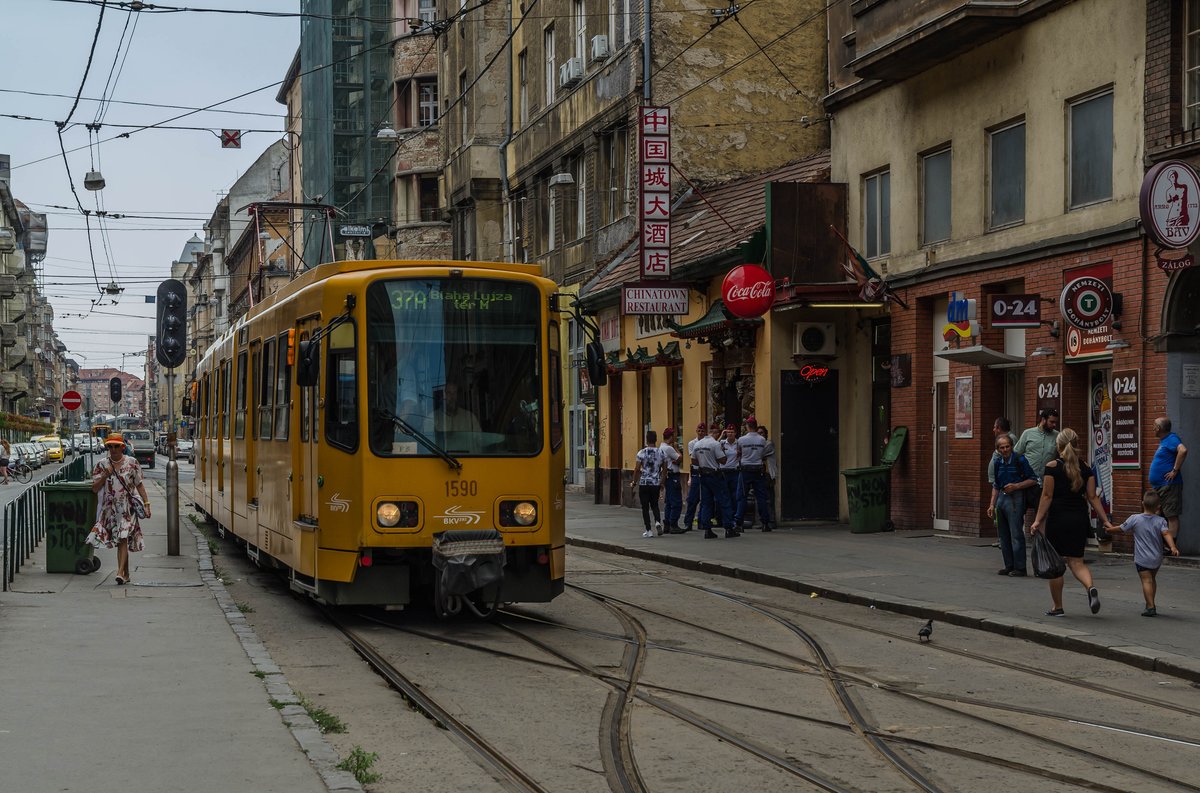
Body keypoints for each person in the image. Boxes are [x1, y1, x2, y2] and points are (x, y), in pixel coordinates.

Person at [1030, 428, 1110, 617]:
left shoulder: (1052, 467)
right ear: (1076, 444)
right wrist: (1105, 520)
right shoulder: (1086, 468)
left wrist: (1037, 520)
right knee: (1077, 562)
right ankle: (1090, 587)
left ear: (1058, 445)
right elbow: (1092, 497)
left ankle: (1057, 607)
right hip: (1079, 519)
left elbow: (1047, 496)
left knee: (1056, 564)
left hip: (1058, 519)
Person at [1105, 490, 1180, 617]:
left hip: (1142, 558)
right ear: (1158, 507)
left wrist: (1109, 530)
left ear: (1142, 503)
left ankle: (1150, 607)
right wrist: (1173, 547)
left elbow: (1121, 529)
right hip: (1156, 557)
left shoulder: (1134, 518)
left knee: (1146, 581)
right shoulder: (1161, 521)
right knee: (1152, 579)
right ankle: (1151, 603)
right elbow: (1166, 533)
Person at [90, 432, 151, 585]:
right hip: (110, 509)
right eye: (110, 446)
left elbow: (139, 485)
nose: (113, 449)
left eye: (116, 446)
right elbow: (94, 488)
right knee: (121, 540)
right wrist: (104, 476)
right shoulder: (102, 465)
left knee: (123, 538)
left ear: (122, 447)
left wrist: (147, 504)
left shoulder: (132, 463)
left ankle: (119, 573)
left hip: (127, 509)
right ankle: (126, 574)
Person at [986, 434, 1037, 576]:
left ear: (1012, 446)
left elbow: (1033, 479)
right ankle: (1009, 565)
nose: (1005, 450)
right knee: (1003, 535)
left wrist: (1016, 486)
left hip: (1016, 497)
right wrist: (992, 504)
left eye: (1007, 446)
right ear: (997, 449)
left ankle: (1020, 567)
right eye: (1001, 447)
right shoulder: (997, 462)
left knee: (1016, 533)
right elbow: (996, 485)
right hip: (1001, 497)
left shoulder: (1020, 460)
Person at [693, 423, 737, 539]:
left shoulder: (698, 444)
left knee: (706, 503)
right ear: (716, 433)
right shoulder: (715, 444)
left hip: (703, 475)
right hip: (715, 475)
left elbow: (694, 461)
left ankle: (707, 529)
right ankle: (729, 528)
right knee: (724, 500)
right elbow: (723, 460)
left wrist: (704, 462)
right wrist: (720, 454)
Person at [1148, 417, 1187, 542]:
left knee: (1171, 516)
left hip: (1169, 485)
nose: (1152, 428)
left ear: (1159, 428)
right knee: (1157, 513)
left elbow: (1183, 450)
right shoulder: (1164, 441)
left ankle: (1171, 547)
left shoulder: (1172, 438)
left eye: (1154, 426)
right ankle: (1160, 543)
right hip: (1160, 486)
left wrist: (1174, 471)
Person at [735, 416, 776, 532]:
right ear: (756, 426)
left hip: (745, 469)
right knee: (761, 497)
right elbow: (762, 454)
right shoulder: (762, 440)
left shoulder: (741, 440)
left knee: (742, 497)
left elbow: (738, 453)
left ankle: (739, 523)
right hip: (758, 469)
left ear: (747, 426)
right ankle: (765, 523)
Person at [1014, 409, 1059, 509]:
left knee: (1042, 512)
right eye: (1051, 422)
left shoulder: (1057, 436)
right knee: (1020, 510)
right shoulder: (1028, 433)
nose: (1054, 425)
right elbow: (1016, 454)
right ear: (1043, 420)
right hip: (1026, 481)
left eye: (1055, 422)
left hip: (1045, 483)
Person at [631, 430, 664, 537]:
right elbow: (665, 470)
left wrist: (634, 482)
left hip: (644, 483)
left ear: (646, 439)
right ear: (656, 439)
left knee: (645, 507)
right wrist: (662, 482)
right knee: (654, 504)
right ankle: (657, 521)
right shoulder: (661, 452)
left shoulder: (641, 453)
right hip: (655, 483)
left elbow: (637, 469)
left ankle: (648, 530)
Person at [681, 423, 708, 532]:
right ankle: (688, 522)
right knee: (692, 499)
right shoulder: (692, 443)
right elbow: (694, 458)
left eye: (703, 431)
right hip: (696, 471)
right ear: (696, 431)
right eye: (699, 431)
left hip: (706, 472)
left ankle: (702, 521)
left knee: (705, 499)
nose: (701, 433)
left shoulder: (708, 443)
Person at [659, 428, 683, 533]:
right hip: (673, 476)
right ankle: (674, 524)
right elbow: (679, 458)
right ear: (671, 437)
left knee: (668, 502)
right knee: (676, 502)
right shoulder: (669, 448)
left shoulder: (661, 447)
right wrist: (676, 448)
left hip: (667, 476)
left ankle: (667, 524)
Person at [986, 416, 1018, 487]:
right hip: (997, 477)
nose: (993, 430)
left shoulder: (1011, 438)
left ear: (999, 428)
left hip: (1002, 477)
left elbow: (1011, 457)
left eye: (994, 427)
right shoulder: (1002, 438)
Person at [719, 423, 741, 521]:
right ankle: (724, 517)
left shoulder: (739, 443)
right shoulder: (722, 443)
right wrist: (721, 435)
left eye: (732, 432)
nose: (730, 434)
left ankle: (734, 516)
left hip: (735, 472)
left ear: (735, 433)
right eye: (728, 432)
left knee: (735, 495)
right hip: (724, 472)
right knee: (724, 495)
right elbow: (713, 445)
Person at [758, 425, 777, 514]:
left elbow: (758, 454)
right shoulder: (759, 445)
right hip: (760, 474)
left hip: (768, 474)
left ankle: (771, 519)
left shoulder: (769, 444)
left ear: (766, 434)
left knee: (769, 498)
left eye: (761, 433)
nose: (760, 435)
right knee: (761, 498)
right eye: (758, 433)